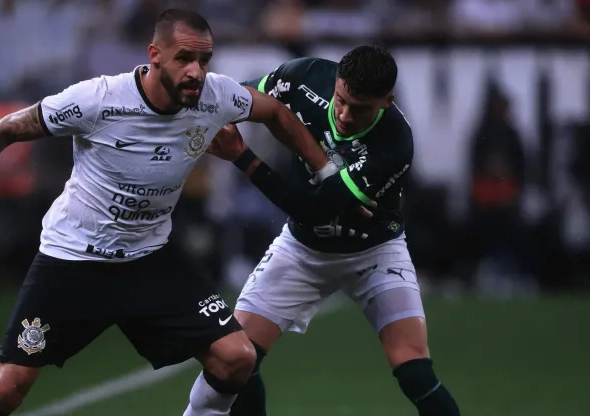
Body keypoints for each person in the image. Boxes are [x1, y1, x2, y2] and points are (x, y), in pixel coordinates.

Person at [0, 9, 340, 416]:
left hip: (150, 258)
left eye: (204, 60)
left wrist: (326, 171)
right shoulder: (98, 99)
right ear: (154, 55)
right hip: (74, 261)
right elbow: (6, 129)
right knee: (9, 387)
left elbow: (277, 112)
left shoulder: (216, 96)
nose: (196, 72)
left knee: (236, 357)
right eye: (184, 58)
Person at [194, 46, 461, 416]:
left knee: (413, 369)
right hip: (305, 249)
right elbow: (238, 98)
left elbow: (313, 208)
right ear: (336, 80)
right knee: (238, 356)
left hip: (374, 251)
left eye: (361, 108)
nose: (346, 115)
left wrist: (242, 156)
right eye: (342, 100)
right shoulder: (305, 76)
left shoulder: (394, 145)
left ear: (387, 101)